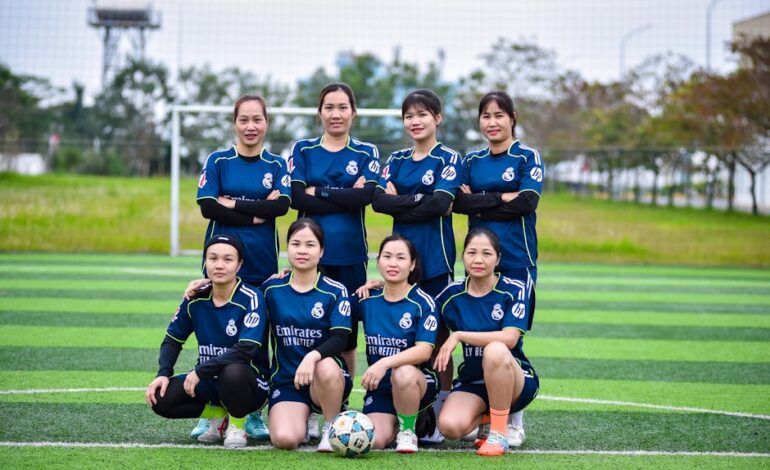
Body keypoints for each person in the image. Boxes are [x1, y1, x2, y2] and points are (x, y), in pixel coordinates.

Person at [194, 93, 291, 439]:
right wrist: (255, 212)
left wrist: (232, 203)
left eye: (257, 119)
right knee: (214, 332)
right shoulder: (218, 161)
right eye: (244, 120)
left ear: (267, 123)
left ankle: (252, 412)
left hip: (262, 265)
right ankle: (212, 411)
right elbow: (208, 206)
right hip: (221, 264)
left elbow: (280, 208)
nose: (251, 126)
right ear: (234, 123)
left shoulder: (277, 165)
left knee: (259, 339)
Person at [369, 89, 462, 442]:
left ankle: (439, 410)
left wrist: (400, 201)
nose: (415, 121)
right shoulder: (395, 159)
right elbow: (377, 202)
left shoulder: (449, 159)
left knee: (438, 341)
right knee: (401, 336)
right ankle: (399, 407)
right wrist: (415, 200)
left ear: (437, 118)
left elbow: (440, 205)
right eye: (409, 115)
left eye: (423, 114)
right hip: (399, 264)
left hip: (435, 262)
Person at [453, 91, 544, 446]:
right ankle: (482, 412)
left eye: (499, 115)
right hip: (478, 261)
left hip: (517, 261)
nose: (492, 122)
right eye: (486, 116)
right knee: (478, 333)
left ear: (513, 118)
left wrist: (482, 201)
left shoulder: (526, 156)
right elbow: (459, 202)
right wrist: (501, 197)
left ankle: (514, 421)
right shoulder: (472, 160)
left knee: (509, 340)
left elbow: (528, 201)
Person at [289, 82, 379, 435]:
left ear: (353, 112)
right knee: (310, 325)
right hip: (309, 254)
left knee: (348, 331)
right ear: (320, 112)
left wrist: (320, 192)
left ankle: (339, 404)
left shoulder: (366, 151)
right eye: (329, 107)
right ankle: (311, 404)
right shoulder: (304, 149)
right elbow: (298, 197)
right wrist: (343, 193)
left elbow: (365, 199)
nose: (336, 114)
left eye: (343, 107)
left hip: (351, 253)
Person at [145, 235, 270, 449]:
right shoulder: (195, 298)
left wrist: (200, 371)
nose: (219, 265)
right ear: (205, 262)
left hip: (250, 384)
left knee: (234, 371)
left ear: (239, 264)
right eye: (213, 258)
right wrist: (163, 373)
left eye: (228, 260)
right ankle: (219, 415)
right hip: (209, 380)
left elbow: (246, 349)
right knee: (160, 397)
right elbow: (172, 340)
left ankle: (237, 424)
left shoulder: (252, 298)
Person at [433, 228, 538, 456]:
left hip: (515, 380)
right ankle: (488, 417)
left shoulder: (513, 289)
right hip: (473, 381)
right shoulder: (451, 295)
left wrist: (459, 335)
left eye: (486, 254)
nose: (478, 259)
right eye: (471, 253)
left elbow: (510, 338)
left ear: (498, 258)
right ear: (463, 256)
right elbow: (420, 310)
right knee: (449, 427)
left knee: (496, 350)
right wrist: (384, 288)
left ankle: (499, 434)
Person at [261, 218, 353, 452]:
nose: (302, 250)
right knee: (285, 440)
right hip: (287, 381)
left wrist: (312, 356)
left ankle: (331, 427)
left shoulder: (335, 290)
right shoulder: (271, 289)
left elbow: (340, 338)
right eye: (296, 244)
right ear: (287, 249)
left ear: (321, 251)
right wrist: (205, 286)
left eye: (310, 245)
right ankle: (304, 417)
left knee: (326, 366)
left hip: (324, 377)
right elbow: (240, 298)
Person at [355, 235, 439, 453]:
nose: (393, 263)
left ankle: (408, 430)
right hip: (381, 389)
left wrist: (384, 363)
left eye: (401, 258)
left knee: (402, 372)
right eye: (387, 257)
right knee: (375, 441)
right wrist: (289, 275)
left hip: (415, 382)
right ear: (378, 262)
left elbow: (424, 350)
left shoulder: (423, 302)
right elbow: (332, 306)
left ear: (412, 265)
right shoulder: (367, 298)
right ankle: (397, 423)